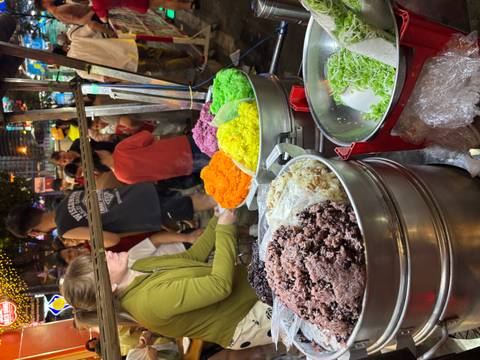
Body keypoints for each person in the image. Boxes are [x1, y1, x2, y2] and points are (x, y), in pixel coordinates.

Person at [62, 210, 273, 350]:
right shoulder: (147, 302)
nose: (107, 254)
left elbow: (191, 257)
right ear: (111, 287)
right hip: (248, 316)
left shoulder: (137, 267)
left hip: (250, 287)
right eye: (102, 265)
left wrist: (217, 218)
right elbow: (219, 286)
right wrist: (225, 228)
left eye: (97, 257)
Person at [5, 183, 216, 247]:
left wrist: (93, 244)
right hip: (140, 191)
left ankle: (240, 190)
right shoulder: (66, 199)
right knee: (195, 198)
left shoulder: (66, 229)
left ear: (33, 232)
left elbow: (112, 239)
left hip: (145, 211)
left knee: (201, 202)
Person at [56, 23, 196, 83]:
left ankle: (195, 61)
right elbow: (92, 26)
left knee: (161, 66)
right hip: (124, 47)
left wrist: (125, 78)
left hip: (128, 66)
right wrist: (110, 34)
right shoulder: (76, 40)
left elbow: (105, 78)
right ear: (63, 49)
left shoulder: (80, 71)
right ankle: (185, 54)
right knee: (158, 52)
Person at [96, 130, 210, 184]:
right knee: (216, 143)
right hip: (179, 147)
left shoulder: (122, 177)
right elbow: (146, 136)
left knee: (218, 159)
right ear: (99, 153)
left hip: (181, 168)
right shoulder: (120, 150)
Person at [34, 0, 115, 36]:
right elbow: (81, 21)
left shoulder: (57, 9)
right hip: (97, 15)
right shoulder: (58, 12)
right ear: (44, 3)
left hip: (97, 12)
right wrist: (94, 9)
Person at [91, 0, 199, 21]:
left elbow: (104, 19)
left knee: (163, 3)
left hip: (133, 2)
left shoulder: (96, 4)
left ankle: (190, 5)